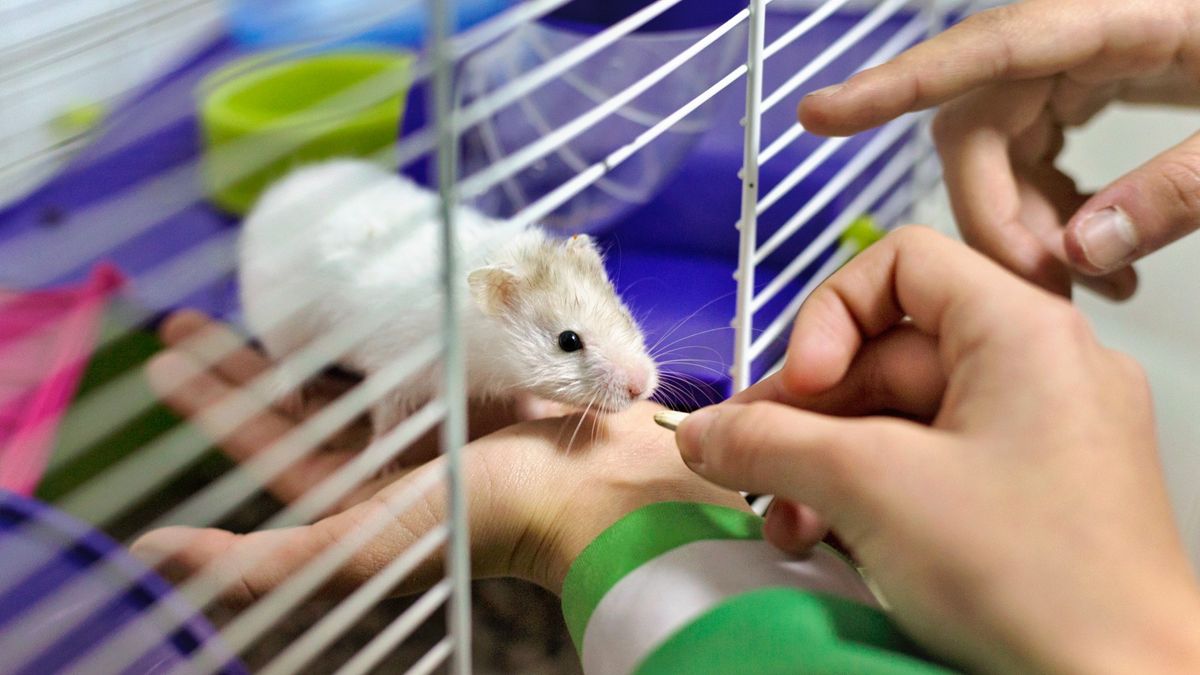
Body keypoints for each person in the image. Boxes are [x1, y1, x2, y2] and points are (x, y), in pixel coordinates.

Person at [133, 0, 1200, 672]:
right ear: (492, 303)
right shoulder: (450, 305)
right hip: (310, 258)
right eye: (563, 352)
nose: (635, 376)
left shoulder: (542, 281)